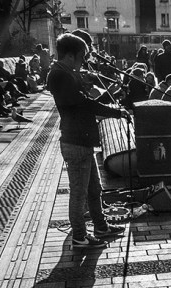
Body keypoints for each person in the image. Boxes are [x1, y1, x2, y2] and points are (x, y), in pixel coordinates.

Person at [46, 32, 128, 249]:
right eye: (82, 56)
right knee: (79, 194)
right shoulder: (60, 75)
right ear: (71, 56)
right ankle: (79, 238)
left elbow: (83, 104)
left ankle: (101, 227)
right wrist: (114, 111)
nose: (83, 61)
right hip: (75, 141)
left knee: (94, 189)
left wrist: (105, 94)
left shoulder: (65, 73)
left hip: (82, 140)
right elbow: (83, 105)